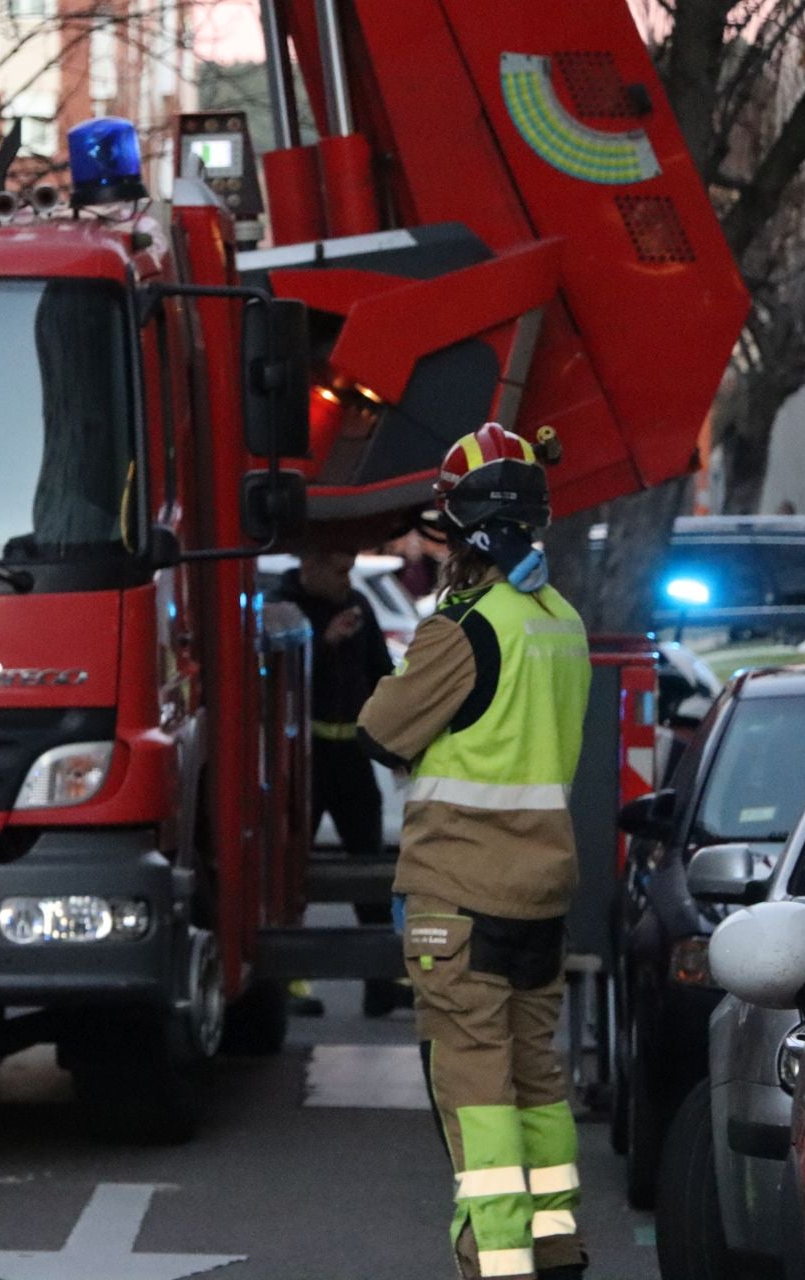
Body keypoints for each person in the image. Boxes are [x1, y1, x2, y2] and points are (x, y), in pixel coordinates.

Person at [358, 423, 591, 1280]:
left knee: (478, 1096)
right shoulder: (560, 621)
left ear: (462, 531)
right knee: (537, 1085)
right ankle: (556, 1245)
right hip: (541, 895)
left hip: (458, 896)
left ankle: (496, 1265)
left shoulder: (461, 627)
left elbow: (384, 731)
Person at [274, 549, 409, 1017]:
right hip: (302, 757)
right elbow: (272, 676)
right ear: (310, 567)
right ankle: (288, 984)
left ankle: (382, 981)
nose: (347, 579)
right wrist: (321, 640)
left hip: (350, 754)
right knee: (289, 875)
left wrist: (397, 743)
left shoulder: (359, 607)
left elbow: (380, 676)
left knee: (371, 870)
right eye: (338, 568)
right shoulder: (282, 606)